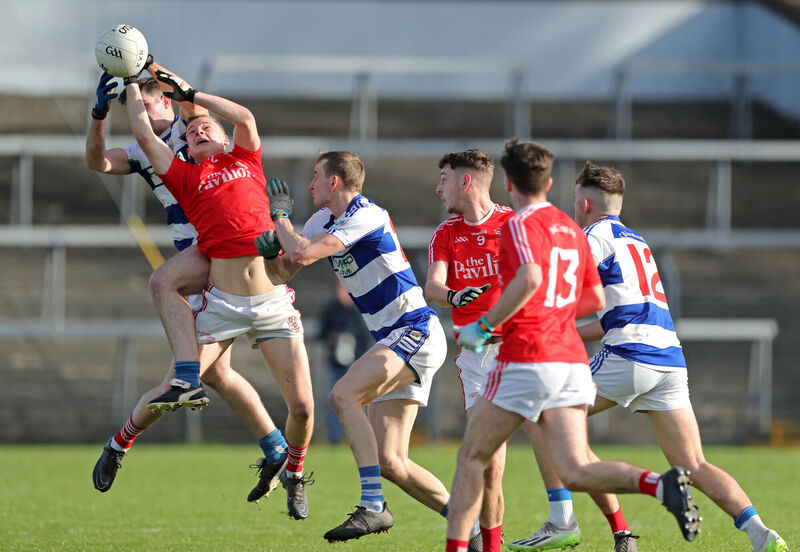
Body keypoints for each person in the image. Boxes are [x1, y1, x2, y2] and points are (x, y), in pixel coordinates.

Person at [510, 162, 788, 552]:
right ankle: (761, 534)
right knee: (695, 463)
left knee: (540, 414)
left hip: (628, 355)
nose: (574, 208)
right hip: (669, 360)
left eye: (575, 201)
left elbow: (558, 296)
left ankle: (563, 520)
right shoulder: (637, 241)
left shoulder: (590, 238)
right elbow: (614, 316)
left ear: (586, 203)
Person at [445, 139, 701, 552]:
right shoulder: (569, 229)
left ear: (508, 182)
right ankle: (657, 484)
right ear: (548, 182)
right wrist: (550, 313)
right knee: (576, 467)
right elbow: (595, 301)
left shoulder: (517, 224)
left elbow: (529, 280)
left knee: (473, 457)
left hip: (528, 359)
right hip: (572, 361)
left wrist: (487, 326)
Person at [86, 60, 296, 509]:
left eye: (145, 100)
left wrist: (154, 70)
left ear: (165, 100)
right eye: (135, 102)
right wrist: (101, 113)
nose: (139, 106)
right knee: (215, 370)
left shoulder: (195, 127)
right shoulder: (150, 151)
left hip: (225, 252)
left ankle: (119, 444)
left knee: (188, 355)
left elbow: (204, 104)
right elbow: (97, 161)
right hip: (200, 251)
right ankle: (277, 447)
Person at [257, 152, 480, 546]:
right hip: (394, 339)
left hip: (414, 330)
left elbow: (305, 253)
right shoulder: (319, 221)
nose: (309, 185)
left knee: (343, 395)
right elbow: (285, 270)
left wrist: (280, 219)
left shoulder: (367, 214)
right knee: (392, 461)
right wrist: (270, 253)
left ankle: (373, 504)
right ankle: (474, 532)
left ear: (335, 183)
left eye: (316, 176)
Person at [425, 149, 513, 552]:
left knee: (570, 456)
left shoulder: (513, 224)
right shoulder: (446, 234)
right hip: (478, 361)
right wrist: (457, 296)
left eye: (444, 178)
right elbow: (433, 289)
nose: (437, 187)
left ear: (464, 181)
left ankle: (618, 529)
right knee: (489, 464)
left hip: (523, 354)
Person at [318, 281, 372, 444]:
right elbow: (322, 334)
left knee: (359, 402)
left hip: (356, 366)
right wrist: (332, 339)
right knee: (336, 401)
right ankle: (336, 438)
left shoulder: (359, 311)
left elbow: (366, 338)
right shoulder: (330, 310)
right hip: (336, 364)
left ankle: (363, 437)